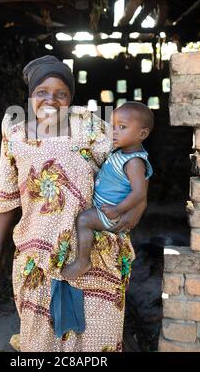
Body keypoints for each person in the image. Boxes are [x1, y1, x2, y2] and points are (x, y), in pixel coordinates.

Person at [0, 55, 148, 352]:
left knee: (99, 346)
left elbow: (133, 155)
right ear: (30, 95)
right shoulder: (16, 136)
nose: (51, 100)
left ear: (71, 97)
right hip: (38, 263)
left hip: (97, 257)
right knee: (40, 347)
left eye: (61, 93)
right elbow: (5, 198)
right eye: (42, 92)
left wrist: (139, 203)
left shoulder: (90, 127)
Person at [62, 102, 153, 280]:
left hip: (112, 213)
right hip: (107, 207)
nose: (115, 131)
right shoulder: (122, 153)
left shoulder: (134, 162)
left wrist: (117, 209)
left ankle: (82, 261)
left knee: (84, 220)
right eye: (114, 126)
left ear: (142, 133)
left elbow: (139, 193)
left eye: (122, 127)